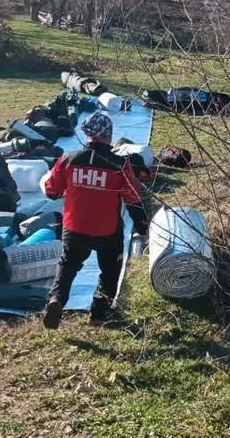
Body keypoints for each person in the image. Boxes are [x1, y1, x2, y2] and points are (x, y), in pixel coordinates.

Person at [41, 112, 149, 329]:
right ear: (109, 135)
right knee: (109, 271)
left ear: (86, 133)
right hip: (106, 230)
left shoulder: (68, 159)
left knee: (68, 265)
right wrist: (142, 226)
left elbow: (52, 192)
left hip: (74, 227)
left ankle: (56, 301)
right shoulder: (119, 164)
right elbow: (132, 198)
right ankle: (99, 314)